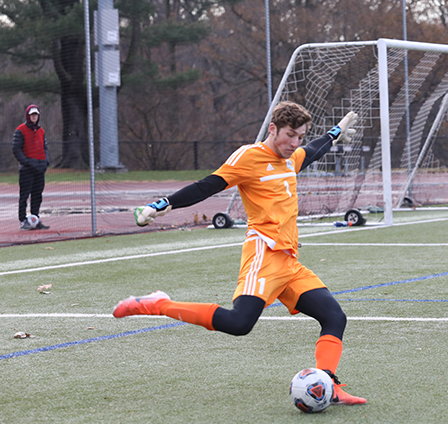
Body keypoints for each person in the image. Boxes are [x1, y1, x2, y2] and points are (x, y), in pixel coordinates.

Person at [113, 101, 366, 405]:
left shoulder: (291, 157)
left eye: (299, 136)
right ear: (273, 129)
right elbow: (207, 185)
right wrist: (162, 205)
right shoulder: (249, 157)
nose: (294, 143)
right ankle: (158, 304)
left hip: (288, 261)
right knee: (239, 324)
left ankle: (329, 385)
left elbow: (311, 152)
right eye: (290, 135)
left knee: (335, 317)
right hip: (263, 255)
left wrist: (334, 134)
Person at [13, 104, 50, 230]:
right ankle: (23, 220)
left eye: (36, 114)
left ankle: (35, 219)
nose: (34, 117)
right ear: (28, 116)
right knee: (24, 195)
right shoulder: (20, 130)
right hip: (27, 170)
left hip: (40, 169)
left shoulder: (41, 131)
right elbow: (16, 149)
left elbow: (44, 147)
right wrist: (27, 162)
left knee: (37, 195)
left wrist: (46, 161)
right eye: (32, 115)